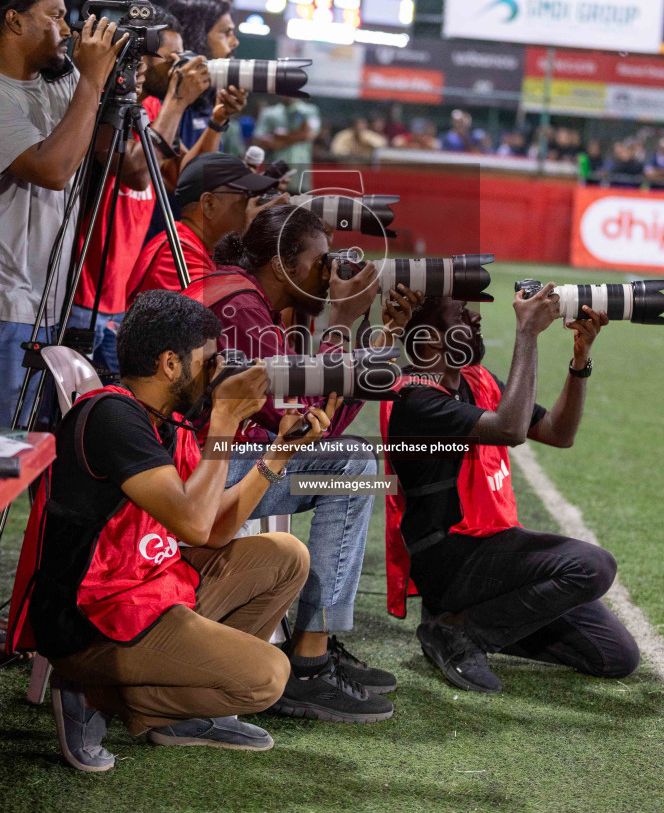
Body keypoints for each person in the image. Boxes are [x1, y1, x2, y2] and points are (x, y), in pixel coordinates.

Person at [20, 289, 337, 771]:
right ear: (171, 363)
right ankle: (91, 692)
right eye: (208, 360)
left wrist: (278, 453)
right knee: (267, 677)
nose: (218, 372)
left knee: (285, 555)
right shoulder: (111, 417)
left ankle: (178, 709)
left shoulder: (165, 421)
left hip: (146, 589)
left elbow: (210, 531)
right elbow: (192, 520)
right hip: (89, 622)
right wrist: (226, 423)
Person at [183, 204, 424, 723]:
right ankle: (310, 658)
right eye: (321, 262)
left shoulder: (246, 297)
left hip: (217, 459)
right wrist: (342, 320)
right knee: (356, 463)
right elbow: (304, 422)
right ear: (281, 264)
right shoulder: (241, 311)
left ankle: (315, 640)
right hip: (201, 472)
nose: (329, 272)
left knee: (350, 458)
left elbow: (314, 420)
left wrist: (381, 339)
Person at [382, 290, 639, 693]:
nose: (476, 320)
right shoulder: (415, 398)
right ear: (431, 337)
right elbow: (511, 430)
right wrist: (527, 333)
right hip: (447, 557)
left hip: (491, 548)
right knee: (592, 565)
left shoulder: (477, 381)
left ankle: (467, 621)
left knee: (614, 656)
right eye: (462, 316)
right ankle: (460, 633)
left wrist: (580, 361)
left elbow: (558, 432)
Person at [68, 9, 235, 372]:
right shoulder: (107, 108)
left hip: (120, 297)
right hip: (83, 295)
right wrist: (178, 101)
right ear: (137, 57)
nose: (178, 67)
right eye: (169, 57)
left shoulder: (156, 108)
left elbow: (182, 179)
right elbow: (137, 173)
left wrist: (216, 122)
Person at [0, 0, 126, 426]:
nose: (69, 30)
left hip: (50, 302)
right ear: (14, 21)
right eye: (55, 16)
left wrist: (113, 89)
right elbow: (51, 170)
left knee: (36, 454)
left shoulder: (60, 80)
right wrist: (92, 82)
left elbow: (119, 161)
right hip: (7, 305)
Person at [126, 153, 281, 305]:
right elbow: (228, 315)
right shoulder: (175, 253)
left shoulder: (206, 249)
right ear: (209, 204)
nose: (252, 205)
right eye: (246, 195)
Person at [166, 0, 247, 156]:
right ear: (197, 36)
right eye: (226, 33)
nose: (235, 42)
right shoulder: (162, 102)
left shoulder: (209, 100)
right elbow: (179, 175)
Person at [252, 95, 322, 189]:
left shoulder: (309, 111)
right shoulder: (269, 113)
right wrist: (298, 135)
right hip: (274, 172)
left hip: (300, 173)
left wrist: (282, 137)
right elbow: (258, 139)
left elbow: (310, 135)